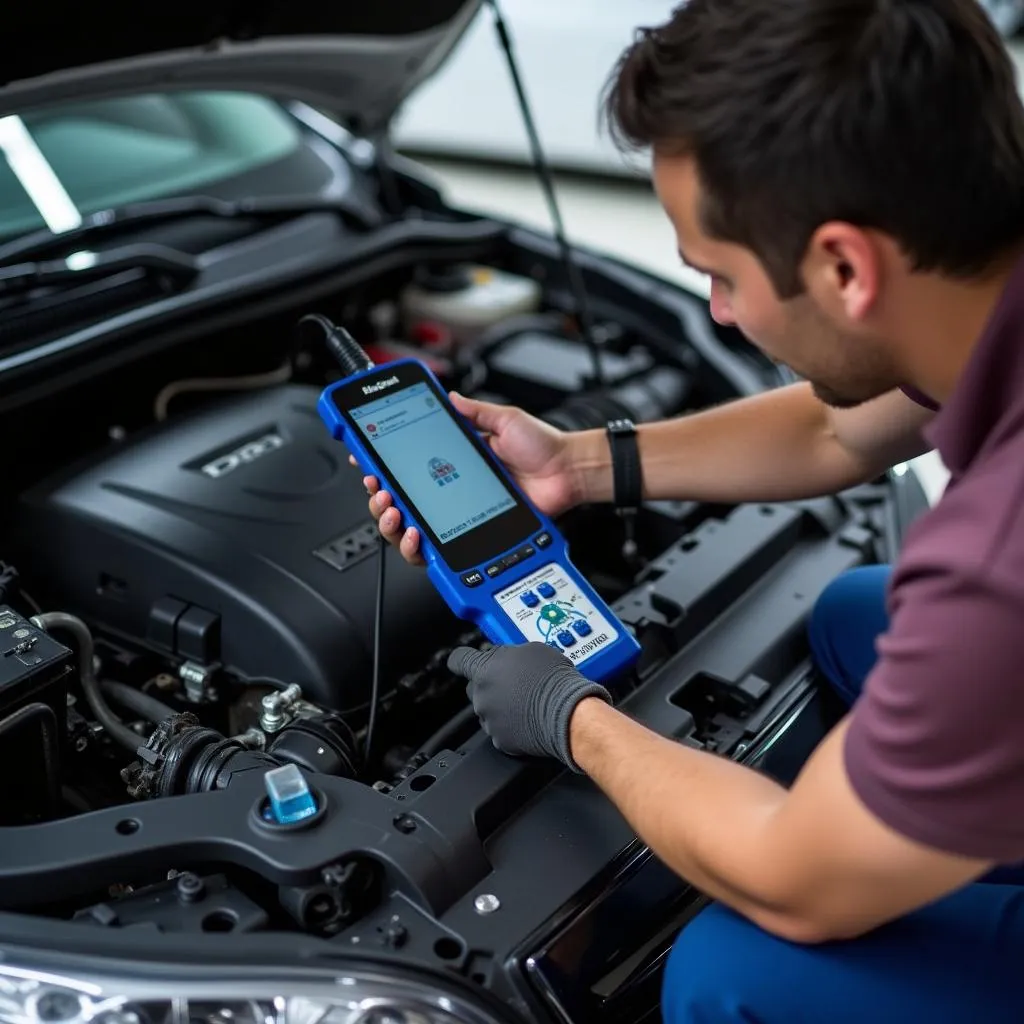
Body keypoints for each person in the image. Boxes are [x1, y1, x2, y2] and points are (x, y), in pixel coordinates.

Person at [360, 1, 1024, 1019]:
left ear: (844, 267)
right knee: (856, 614)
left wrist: (568, 716)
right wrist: (578, 465)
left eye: (719, 274)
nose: (716, 312)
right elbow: (835, 432)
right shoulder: (978, 287)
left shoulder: (995, 553)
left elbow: (797, 884)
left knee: (734, 969)